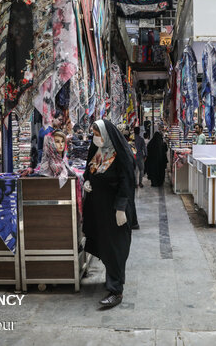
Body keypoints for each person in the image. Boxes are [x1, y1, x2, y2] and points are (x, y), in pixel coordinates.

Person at [82, 120, 136, 309]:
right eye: (94, 134)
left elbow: (127, 182)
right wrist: (87, 181)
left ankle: (116, 290)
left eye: (98, 134)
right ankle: (111, 281)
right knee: (105, 246)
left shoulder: (121, 155)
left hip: (115, 211)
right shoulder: (98, 152)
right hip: (99, 210)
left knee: (116, 248)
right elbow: (89, 170)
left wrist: (121, 208)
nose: (95, 138)